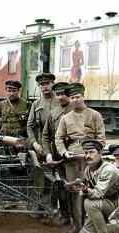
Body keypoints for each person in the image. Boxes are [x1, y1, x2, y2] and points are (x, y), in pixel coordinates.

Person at [55, 83, 106, 233]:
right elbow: (59, 138)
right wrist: (64, 152)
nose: (75, 100)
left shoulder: (94, 115)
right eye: (72, 98)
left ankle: (92, 226)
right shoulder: (65, 118)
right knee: (73, 191)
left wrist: (93, 154)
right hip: (72, 160)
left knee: (92, 191)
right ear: (69, 99)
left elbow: (102, 139)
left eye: (78, 97)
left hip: (91, 160)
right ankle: (77, 224)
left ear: (83, 97)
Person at [78, 140, 119, 233]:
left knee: (89, 203)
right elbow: (88, 190)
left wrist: (85, 190)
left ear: (100, 153)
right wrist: (79, 188)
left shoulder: (108, 170)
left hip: (114, 204)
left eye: (91, 152)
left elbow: (97, 194)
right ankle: (112, 227)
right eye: (86, 153)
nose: (88, 156)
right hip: (103, 203)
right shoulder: (89, 169)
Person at [42, 82, 73, 225]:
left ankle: (79, 219)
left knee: (74, 187)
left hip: (73, 157)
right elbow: (46, 136)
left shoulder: (76, 110)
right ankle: (65, 215)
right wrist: (48, 153)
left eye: (63, 94)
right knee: (60, 187)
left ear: (69, 95)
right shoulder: (53, 112)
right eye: (58, 94)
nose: (60, 97)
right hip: (57, 157)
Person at [27, 73, 58, 158]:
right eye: (42, 84)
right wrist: (34, 143)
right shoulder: (36, 104)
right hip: (42, 146)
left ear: (53, 84)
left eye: (47, 83)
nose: (45, 87)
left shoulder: (60, 102)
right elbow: (29, 127)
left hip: (59, 145)